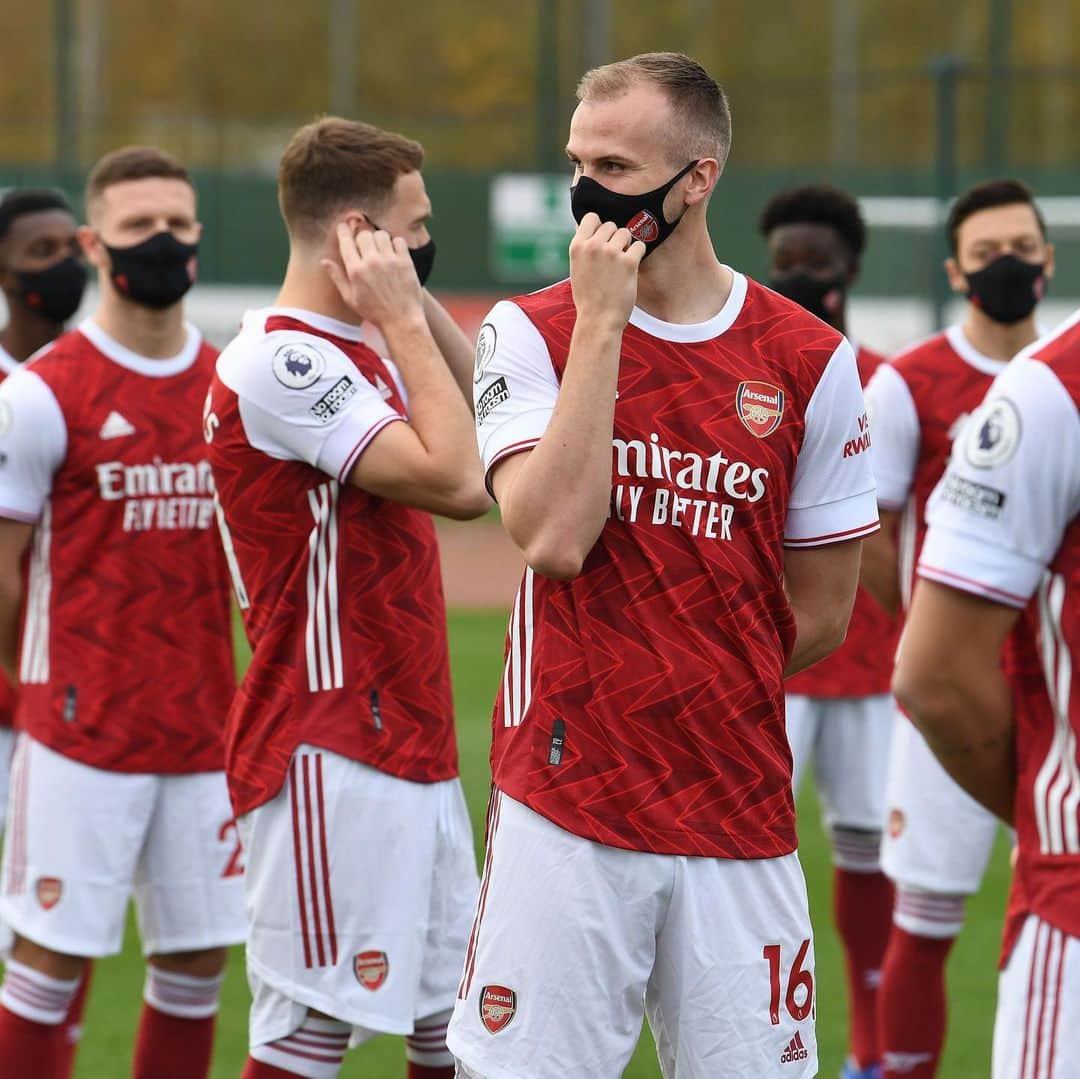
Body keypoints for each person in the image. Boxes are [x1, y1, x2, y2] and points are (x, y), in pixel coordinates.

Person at [448, 52, 879, 1079]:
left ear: (699, 178)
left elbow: (820, 612)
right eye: (578, 161)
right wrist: (605, 320)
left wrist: (695, 685)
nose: (589, 189)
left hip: (738, 807)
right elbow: (552, 535)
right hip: (567, 799)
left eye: (617, 163)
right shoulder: (532, 330)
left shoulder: (810, 360)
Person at [204, 116, 488, 1079]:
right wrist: (402, 317)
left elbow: (489, 416)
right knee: (310, 1037)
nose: (424, 244)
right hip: (327, 744)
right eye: (415, 227)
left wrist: (408, 312)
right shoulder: (282, 362)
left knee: (455, 1032)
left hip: (410, 737)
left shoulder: (359, 346)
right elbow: (461, 484)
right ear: (359, 238)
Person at [0, 147, 245, 1079]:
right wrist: (40, 693)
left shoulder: (235, 387)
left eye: (179, 224)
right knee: (50, 962)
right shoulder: (39, 396)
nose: (164, 241)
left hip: (201, 736)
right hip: (78, 735)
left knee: (194, 965)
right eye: (141, 226)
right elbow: (6, 576)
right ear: (98, 244)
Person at [862, 178, 1054, 1079]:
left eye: (1022, 246)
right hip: (950, 696)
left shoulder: (1063, 373)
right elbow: (873, 529)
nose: (1008, 264)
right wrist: (929, 632)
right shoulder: (909, 383)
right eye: (986, 254)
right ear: (956, 270)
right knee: (926, 918)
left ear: (1049, 258)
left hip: (1059, 701)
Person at [893, 306, 1080, 1078]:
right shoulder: (1050, 393)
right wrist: (1049, 813)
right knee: (917, 912)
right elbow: (935, 674)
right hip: (1074, 915)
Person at [762, 183, 901, 1079]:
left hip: (874, 659)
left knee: (869, 852)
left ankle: (873, 1045)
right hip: (772, 658)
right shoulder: (748, 366)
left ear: (851, 267)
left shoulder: (888, 379)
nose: (802, 278)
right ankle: (756, 1033)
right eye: (785, 264)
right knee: (753, 852)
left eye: (817, 263)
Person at [0, 188, 90, 1077]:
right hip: (21, 705)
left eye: (71, 244)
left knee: (61, 930)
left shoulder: (96, 382)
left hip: (68, 716)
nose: (59, 264)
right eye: (38, 249)